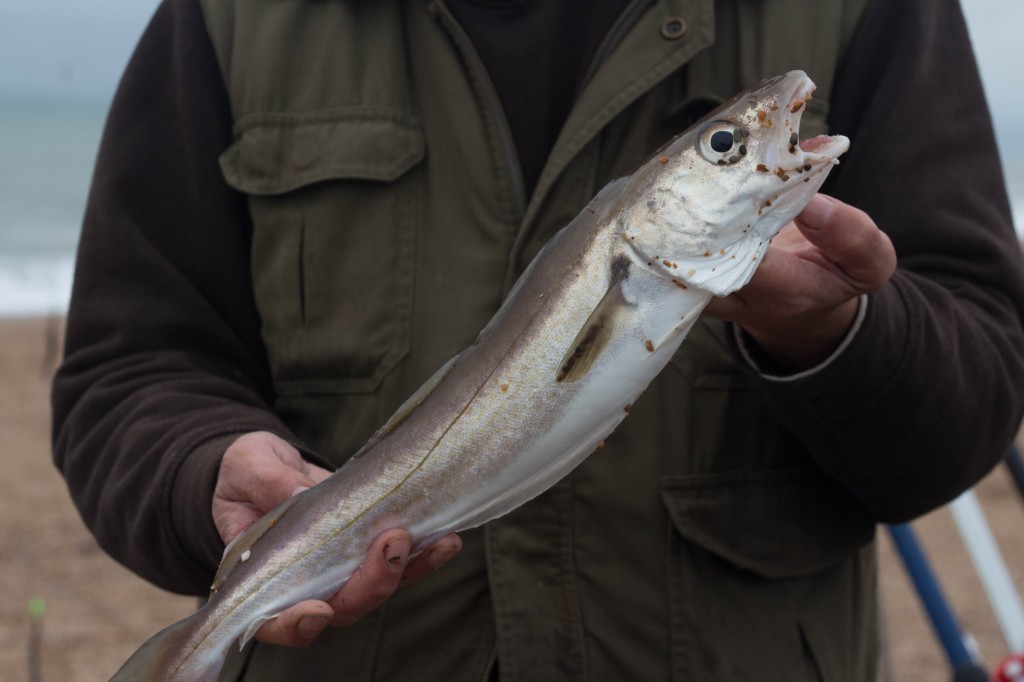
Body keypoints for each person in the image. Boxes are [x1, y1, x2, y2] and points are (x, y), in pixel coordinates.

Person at [52, 0, 1024, 679]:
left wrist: (841, 335)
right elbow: (128, 370)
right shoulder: (228, 17)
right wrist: (200, 469)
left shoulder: (869, 8)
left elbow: (980, 378)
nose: (763, 135)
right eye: (726, 145)